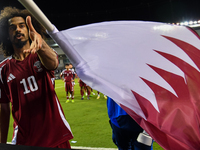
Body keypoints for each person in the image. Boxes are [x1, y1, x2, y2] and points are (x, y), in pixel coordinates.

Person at [0, 7, 73, 148]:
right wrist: (2, 143)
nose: (18, 30)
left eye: (22, 26)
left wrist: (41, 45)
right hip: (25, 139)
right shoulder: (3, 69)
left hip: (56, 136)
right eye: (12, 27)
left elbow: (53, 64)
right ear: (7, 35)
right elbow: (3, 108)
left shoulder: (42, 55)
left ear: (29, 30)